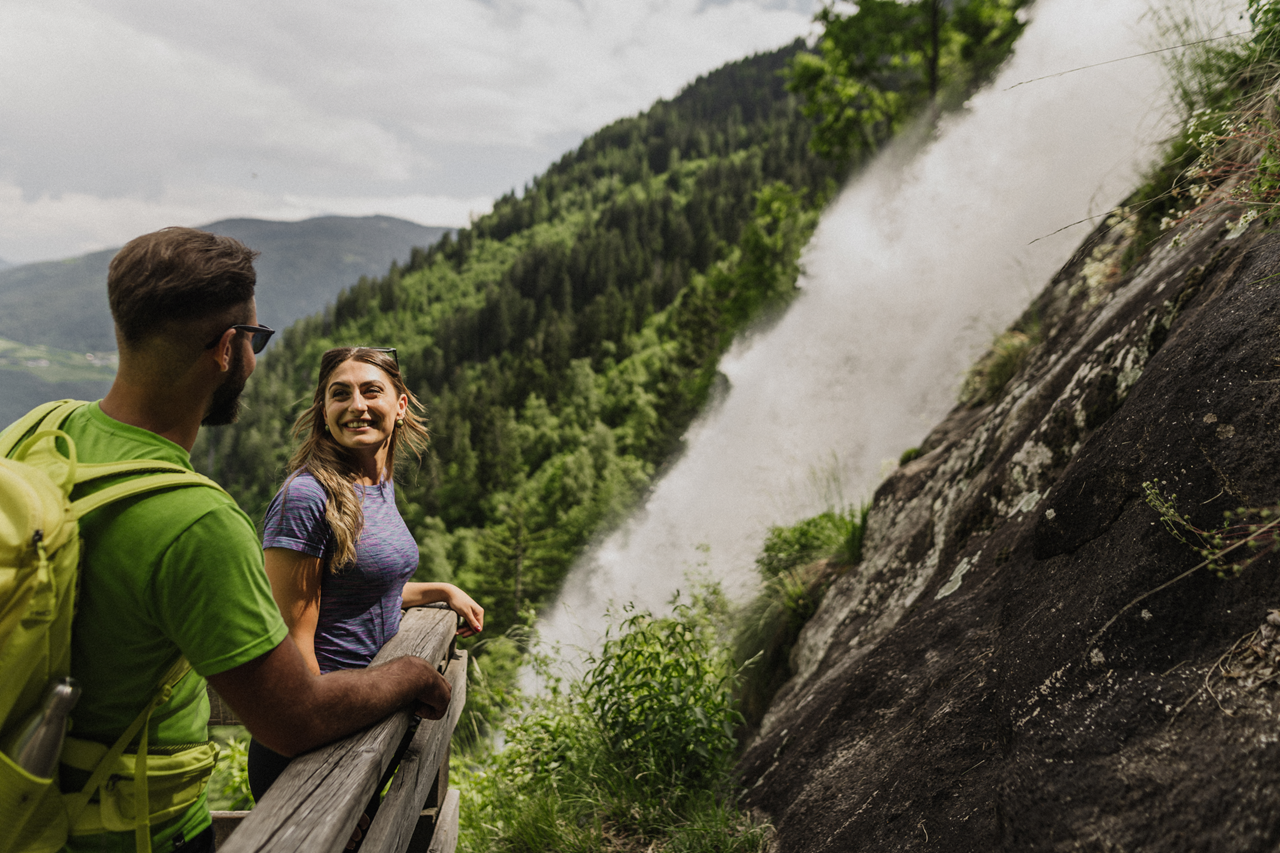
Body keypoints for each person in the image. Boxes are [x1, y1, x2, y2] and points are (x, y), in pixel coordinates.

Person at [27, 227, 452, 853]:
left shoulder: (41, 430)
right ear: (231, 348)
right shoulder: (197, 520)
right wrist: (411, 674)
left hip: (24, 804)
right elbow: (294, 717)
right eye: (255, 339)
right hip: (144, 829)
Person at [246, 346, 484, 802]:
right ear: (324, 411)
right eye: (340, 395)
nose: (357, 406)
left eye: (372, 391)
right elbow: (293, 653)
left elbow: (358, 589)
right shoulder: (306, 498)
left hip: (365, 722)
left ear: (400, 404)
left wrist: (440, 589)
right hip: (318, 744)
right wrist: (325, 781)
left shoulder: (374, 483)